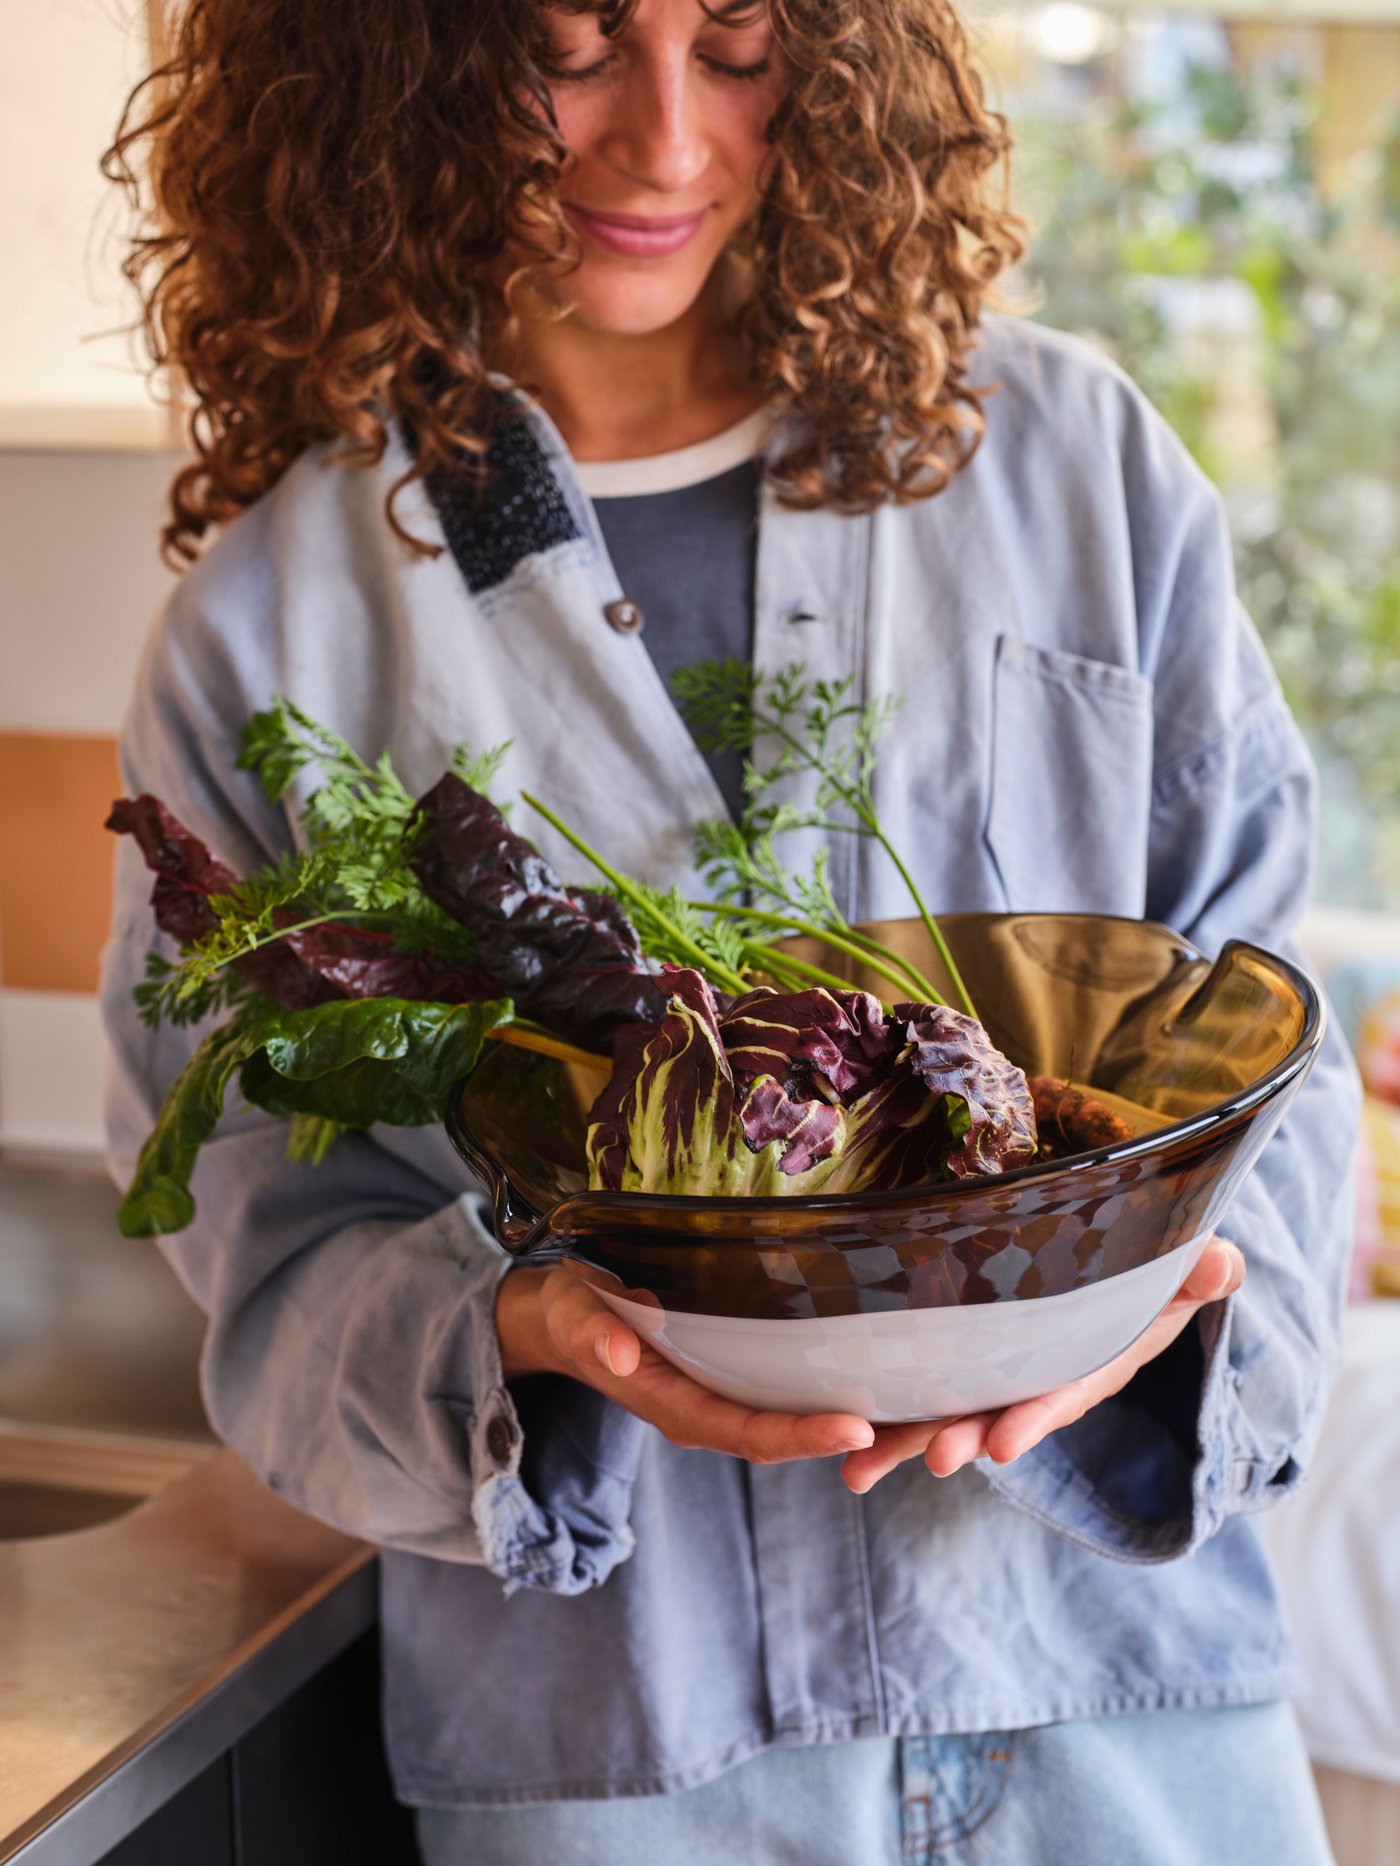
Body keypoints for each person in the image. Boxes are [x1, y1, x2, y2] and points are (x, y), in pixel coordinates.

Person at [100, 2, 1359, 1861]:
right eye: (573, 47)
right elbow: (272, 1268)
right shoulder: (273, 625)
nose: (669, 143)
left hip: (1119, 1702)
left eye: (748, 44)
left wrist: (1153, 1320)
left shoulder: (1078, 467)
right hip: (625, 1755)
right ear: (400, 63)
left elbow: (1280, 1062)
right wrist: (521, 1331)